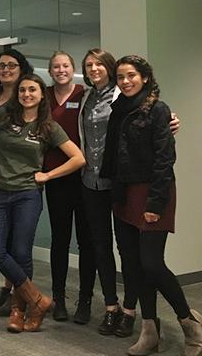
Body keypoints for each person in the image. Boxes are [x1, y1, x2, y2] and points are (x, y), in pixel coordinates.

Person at [0, 73, 85, 333]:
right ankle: (37, 300)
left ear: (42, 95)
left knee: (21, 251)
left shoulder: (48, 126)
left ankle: (19, 310)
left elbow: (78, 158)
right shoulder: (3, 115)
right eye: (22, 90)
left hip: (27, 194)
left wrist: (48, 175)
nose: (26, 94)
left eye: (32, 90)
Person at [100, 55, 202, 356]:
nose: (126, 81)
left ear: (145, 77)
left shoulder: (158, 109)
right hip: (123, 192)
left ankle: (190, 324)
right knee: (132, 265)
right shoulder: (118, 110)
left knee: (151, 263)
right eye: (120, 77)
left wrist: (155, 202)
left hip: (152, 193)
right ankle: (150, 331)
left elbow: (164, 159)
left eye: (131, 75)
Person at [79, 48, 180, 337]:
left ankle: (131, 310)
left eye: (99, 64)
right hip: (93, 182)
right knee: (102, 246)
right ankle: (112, 308)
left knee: (133, 254)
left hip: (122, 183)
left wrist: (169, 119)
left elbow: (153, 126)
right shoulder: (86, 97)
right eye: (88, 65)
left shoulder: (124, 99)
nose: (94, 69)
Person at [44, 51, 96, 323]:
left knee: (87, 242)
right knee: (60, 240)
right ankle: (59, 298)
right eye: (56, 66)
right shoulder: (44, 96)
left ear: (73, 69)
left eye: (65, 66)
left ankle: (85, 300)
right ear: (50, 70)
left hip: (84, 178)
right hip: (54, 177)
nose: (61, 70)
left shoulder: (85, 94)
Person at [0, 49, 34, 316]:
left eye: (12, 65)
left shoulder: (28, 94)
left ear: (21, 67)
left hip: (23, 177)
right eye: (1, 66)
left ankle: (19, 295)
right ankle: (12, 289)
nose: (6, 70)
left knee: (18, 242)